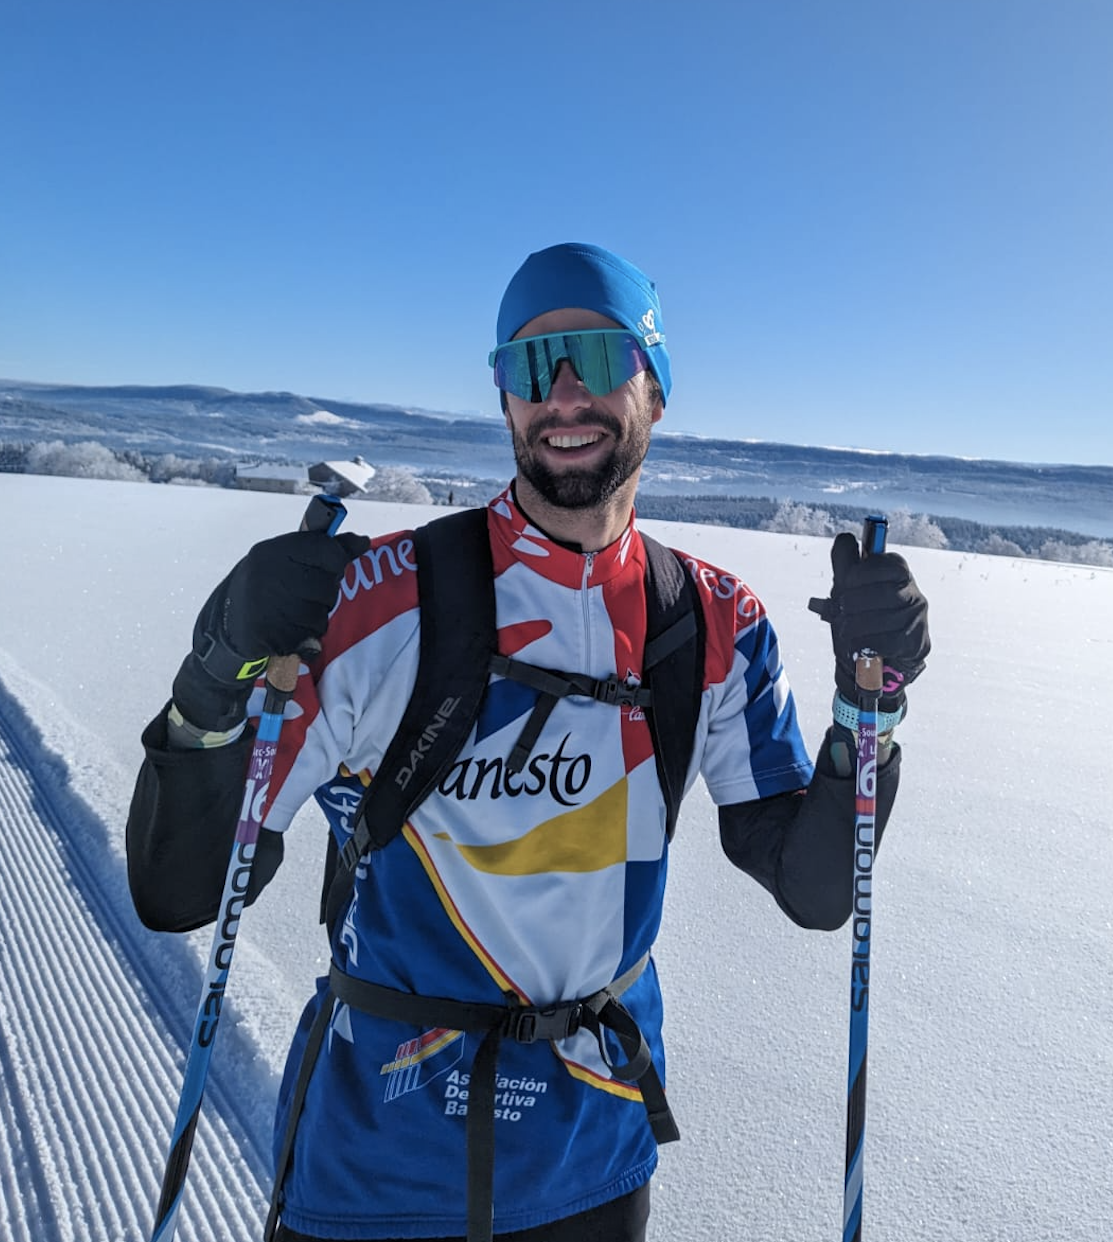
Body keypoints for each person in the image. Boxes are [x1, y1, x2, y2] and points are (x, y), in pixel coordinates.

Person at [126, 242, 930, 1242]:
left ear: (657, 385)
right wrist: (216, 674)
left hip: (590, 1163)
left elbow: (814, 885)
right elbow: (182, 891)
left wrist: (872, 713)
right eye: (526, 367)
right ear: (504, 400)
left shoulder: (713, 622)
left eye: (595, 359)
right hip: (375, 1168)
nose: (561, 396)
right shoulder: (382, 602)